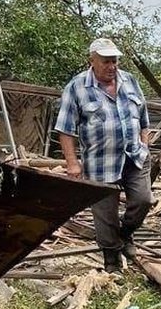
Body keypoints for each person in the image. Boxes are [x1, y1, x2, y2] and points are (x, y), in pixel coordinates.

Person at [55, 37, 154, 273]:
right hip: (100, 162)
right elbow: (65, 129)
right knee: (105, 214)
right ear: (92, 60)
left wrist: (145, 145)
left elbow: (144, 120)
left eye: (115, 61)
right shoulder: (77, 86)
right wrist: (72, 163)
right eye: (106, 62)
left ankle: (126, 234)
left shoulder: (129, 80)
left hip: (134, 156)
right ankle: (112, 262)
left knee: (144, 200)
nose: (112, 66)